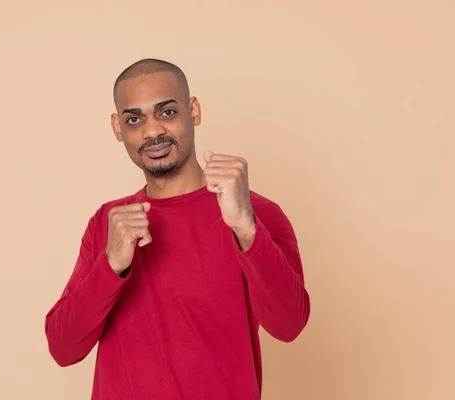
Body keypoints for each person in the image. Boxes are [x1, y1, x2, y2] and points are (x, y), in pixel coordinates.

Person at [44, 58, 310, 400]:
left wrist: (246, 228)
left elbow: (289, 325)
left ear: (193, 111)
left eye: (167, 112)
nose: (152, 131)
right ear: (117, 128)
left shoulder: (256, 213)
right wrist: (111, 265)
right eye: (134, 119)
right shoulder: (108, 222)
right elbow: (63, 348)